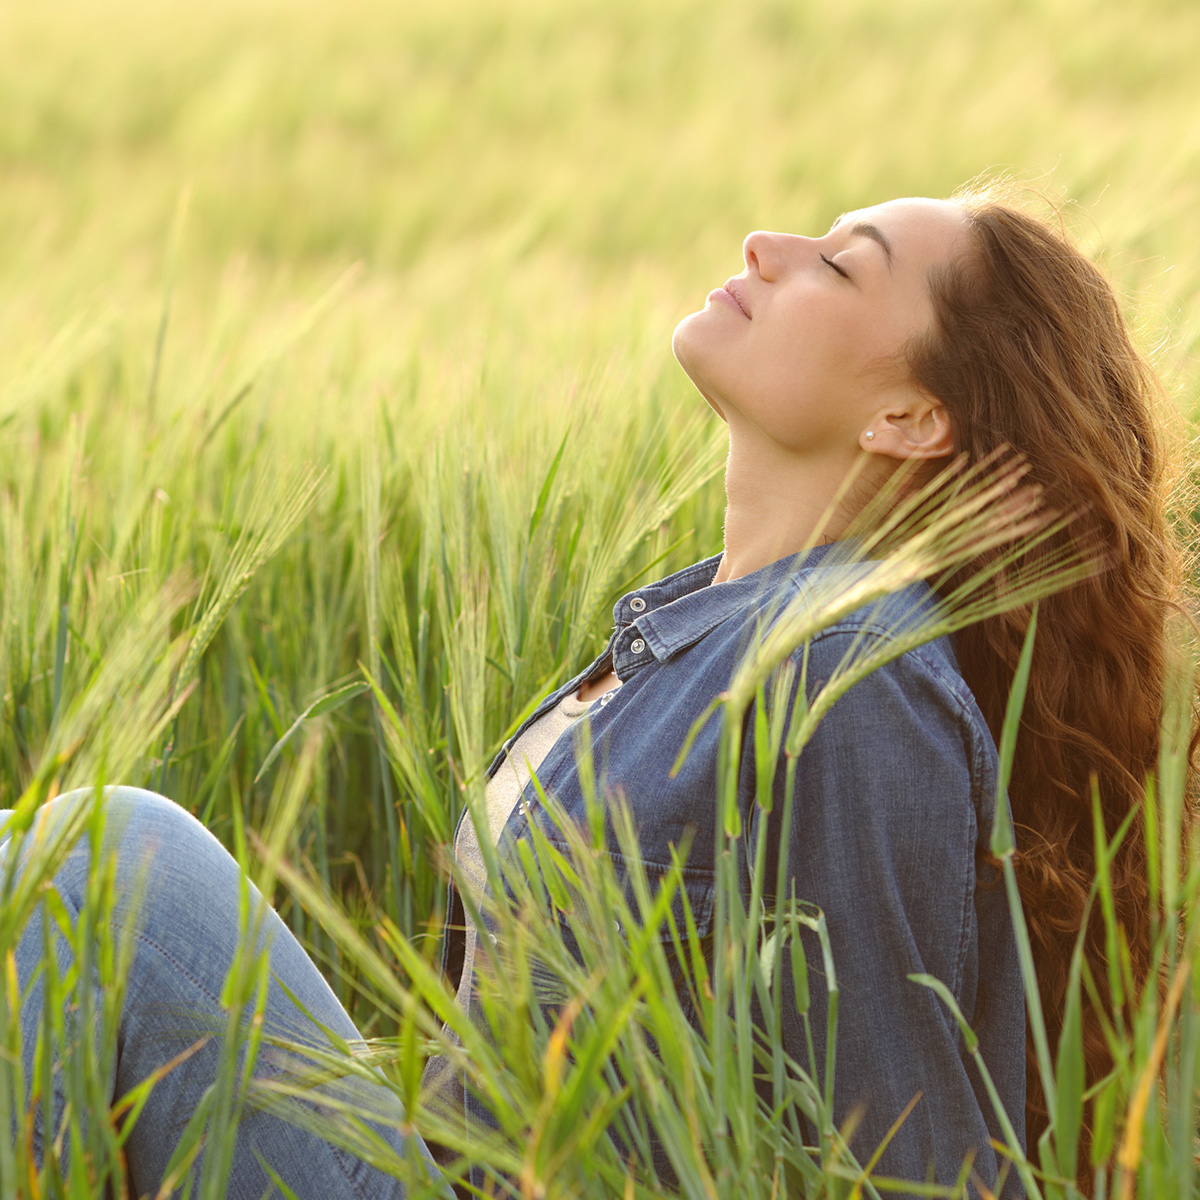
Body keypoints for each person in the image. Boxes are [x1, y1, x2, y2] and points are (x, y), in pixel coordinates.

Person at [2, 184, 1189, 1198]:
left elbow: (892, 1140)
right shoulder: (699, 628)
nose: (763, 250)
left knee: (107, 864)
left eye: (837, 264)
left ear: (909, 416)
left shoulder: (849, 678)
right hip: (443, 1155)